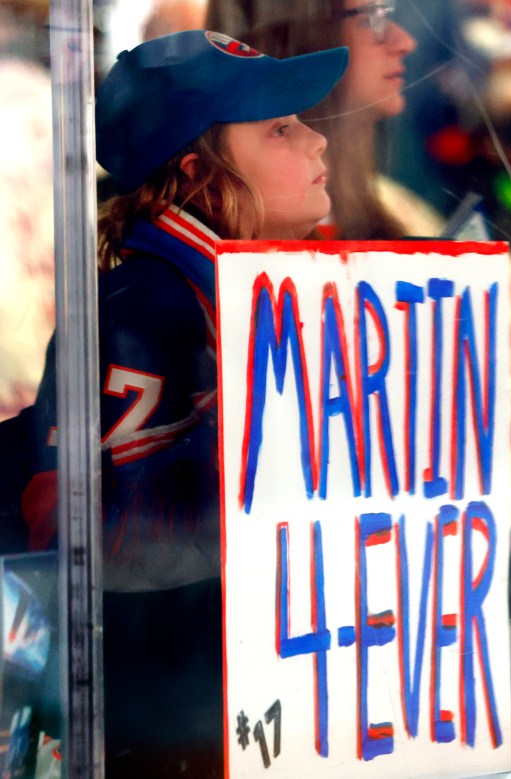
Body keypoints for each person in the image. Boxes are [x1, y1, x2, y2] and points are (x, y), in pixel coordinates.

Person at [20, 29, 349, 775]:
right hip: (163, 726)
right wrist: (272, 430)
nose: (316, 142)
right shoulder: (144, 308)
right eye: (280, 128)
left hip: (229, 704)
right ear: (202, 174)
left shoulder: (243, 297)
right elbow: (104, 546)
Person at [205, 0, 436, 239]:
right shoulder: (256, 228)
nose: (405, 42)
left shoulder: (391, 206)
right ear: (305, 38)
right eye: (370, 20)